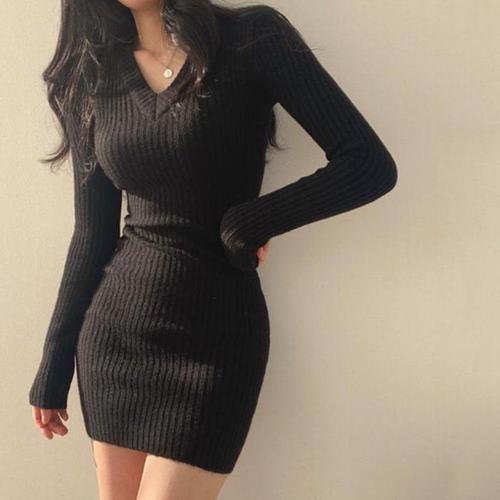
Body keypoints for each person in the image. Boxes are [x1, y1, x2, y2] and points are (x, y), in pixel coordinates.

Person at [28, 0, 398, 498]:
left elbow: (368, 164)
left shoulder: (253, 37)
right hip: (116, 340)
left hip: (216, 336)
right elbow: (92, 233)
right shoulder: (92, 75)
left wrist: (252, 222)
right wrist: (54, 366)